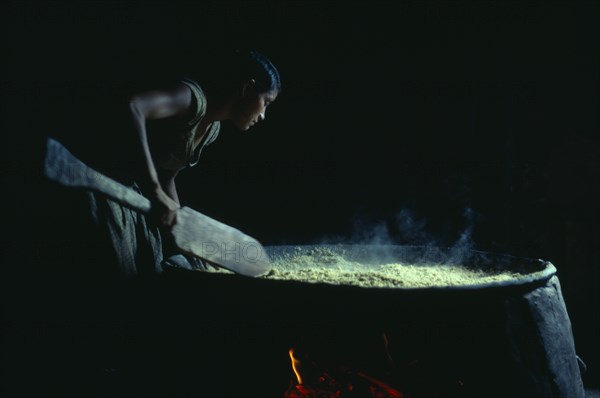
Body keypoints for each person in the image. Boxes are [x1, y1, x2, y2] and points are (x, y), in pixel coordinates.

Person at [48, 49, 281, 282]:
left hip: (134, 200)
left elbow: (167, 175)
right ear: (247, 89)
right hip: (103, 185)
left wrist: (185, 232)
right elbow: (134, 106)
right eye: (266, 102)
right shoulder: (191, 99)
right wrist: (156, 191)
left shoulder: (212, 130)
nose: (263, 115)